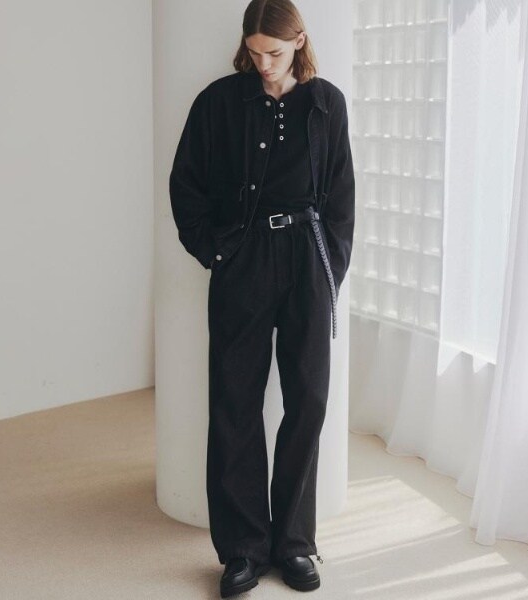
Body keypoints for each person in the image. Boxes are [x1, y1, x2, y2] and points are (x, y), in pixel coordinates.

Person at [169, 0, 354, 596]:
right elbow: (185, 184)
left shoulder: (327, 103)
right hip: (243, 262)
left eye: (273, 53)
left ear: (298, 40)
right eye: (254, 53)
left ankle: (295, 544)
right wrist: (217, 254)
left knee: (309, 401)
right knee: (234, 402)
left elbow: (342, 196)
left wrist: (329, 268)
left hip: (307, 259)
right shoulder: (218, 102)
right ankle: (243, 549)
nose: (264, 64)